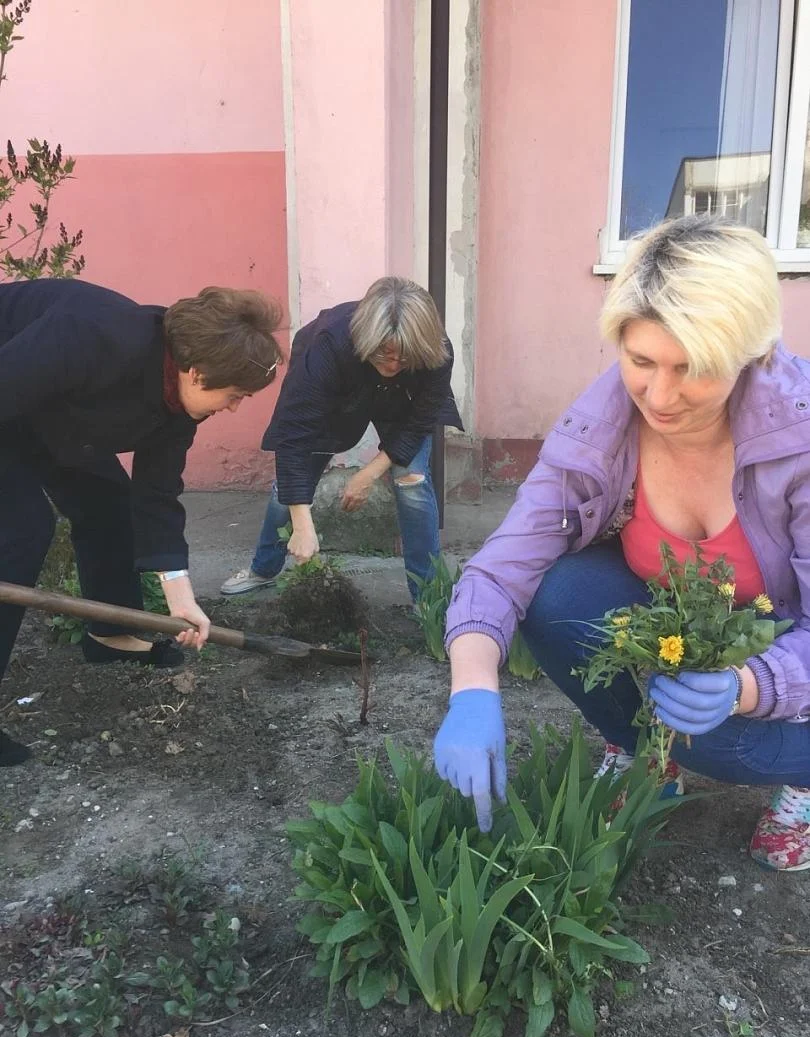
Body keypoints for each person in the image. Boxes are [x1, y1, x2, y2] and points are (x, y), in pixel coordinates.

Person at [434, 215, 810, 873]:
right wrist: (472, 691)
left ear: (748, 355)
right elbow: (506, 564)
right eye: (640, 361)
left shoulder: (798, 443)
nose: (659, 397)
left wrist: (749, 686)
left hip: (785, 657)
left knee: (715, 739)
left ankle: (801, 780)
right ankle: (643, 754)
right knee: (554, 594)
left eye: (692, 368)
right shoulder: (603, 426)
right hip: (694, 640)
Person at [0, 277, 282, 767]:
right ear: (197, 372)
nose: (235, 406)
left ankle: (110, 635)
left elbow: (156, 495)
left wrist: (180, 596)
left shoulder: (179, 405)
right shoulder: (93, 333)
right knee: (21, 532)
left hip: (48, 413)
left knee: (111, 504)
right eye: (236, 394)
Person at [221, 277, 462, 602]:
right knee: (289, 488)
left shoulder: (434, 349)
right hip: (338, 392)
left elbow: (419, 421)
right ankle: (263, 569)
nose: (393, 364)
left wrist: (368, 474)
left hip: (403, 404)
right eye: (384, 353)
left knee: (413, 483)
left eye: (404, 358)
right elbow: (294, 435)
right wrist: (302, 526)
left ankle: (429, 598)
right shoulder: (329, 345)